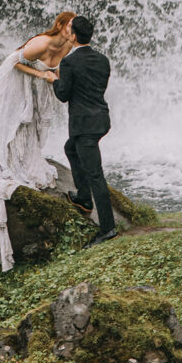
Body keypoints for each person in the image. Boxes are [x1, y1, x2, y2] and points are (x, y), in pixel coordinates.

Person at [0, 10, 75, 270]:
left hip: (41, 88)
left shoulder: (70, 45)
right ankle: (12, 160)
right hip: (21, 84)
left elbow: (61, 67)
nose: (71, 31)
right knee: (19, 126)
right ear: (61, 25)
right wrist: (41, 75)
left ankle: (29, 158)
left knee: (35, 129)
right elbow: (11, 62)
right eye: (69, 26)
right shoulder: (43, 42)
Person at [44, 15, 117, 246]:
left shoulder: (68, 62)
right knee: (70, 148)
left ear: (73, 36)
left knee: (96, 175)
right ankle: (83, 197)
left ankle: (108, 229)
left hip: (84, 125)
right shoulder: (103, 60)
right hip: (100, 119)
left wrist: (52, 79)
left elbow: (63, 95)